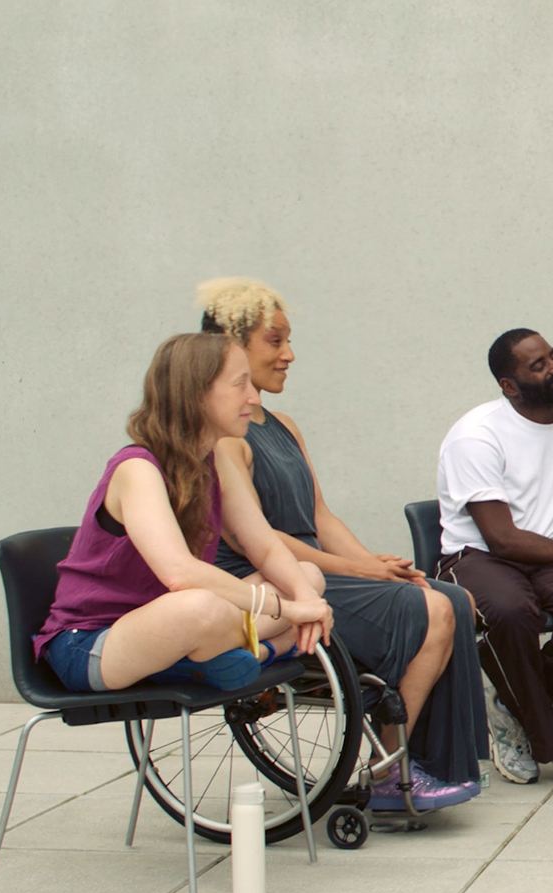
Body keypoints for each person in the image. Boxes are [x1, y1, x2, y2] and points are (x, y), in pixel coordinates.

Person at [199, 277, 485, 810]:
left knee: (453, 599)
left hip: (315, 569)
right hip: (267, 582)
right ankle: (389, 776)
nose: (289, 354)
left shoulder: (283, 425)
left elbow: (318, 516)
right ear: (232, 348)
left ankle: (424, 762)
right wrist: (360, 571)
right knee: (431, 610)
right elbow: (261, 537)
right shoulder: (222, 439)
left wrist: (370, 562)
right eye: (274, 341)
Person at [35, 333, 334, 699]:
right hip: (94, 644)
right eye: (241, 384)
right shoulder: (137, 469)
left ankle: (216, 655)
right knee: (200, 606)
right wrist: (287, 610)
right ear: (197, 394)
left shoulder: (215, 462)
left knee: (307, 575)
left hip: (180, 626)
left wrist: (309, 602)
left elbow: (266, 548)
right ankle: (260, 649)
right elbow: (180, 574)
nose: (253, 398)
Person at [434, 328, 553, 785]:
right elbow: (501, 538)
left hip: (544, 550)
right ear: (509, 385)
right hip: (477, 555)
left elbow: (543, 483)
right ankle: (549, 736)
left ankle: (514, 706)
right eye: (537, 365)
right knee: (509, 611)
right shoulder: (476, 436)